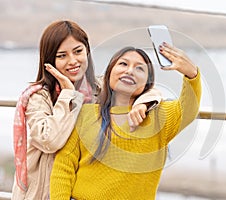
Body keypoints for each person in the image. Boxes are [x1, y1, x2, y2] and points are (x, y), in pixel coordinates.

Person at [11, 20, 161, 200]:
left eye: (78, 51)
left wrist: (142, 104)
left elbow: (149, 89)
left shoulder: (100, 89)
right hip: (44, 193)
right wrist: (68, 95)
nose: (73, 61)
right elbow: (49, 140)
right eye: (62, 55)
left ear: (87, 52)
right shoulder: (39, 97)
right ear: (50, 61)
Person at [50, 44, 201, 199]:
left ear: (147, 83)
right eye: (123, 64)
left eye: (139, 68)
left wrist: (191, 74)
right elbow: (63, 167)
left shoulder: (158, 117)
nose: (129, 71)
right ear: (109, 72)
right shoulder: (85, 114)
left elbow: (188, 108)